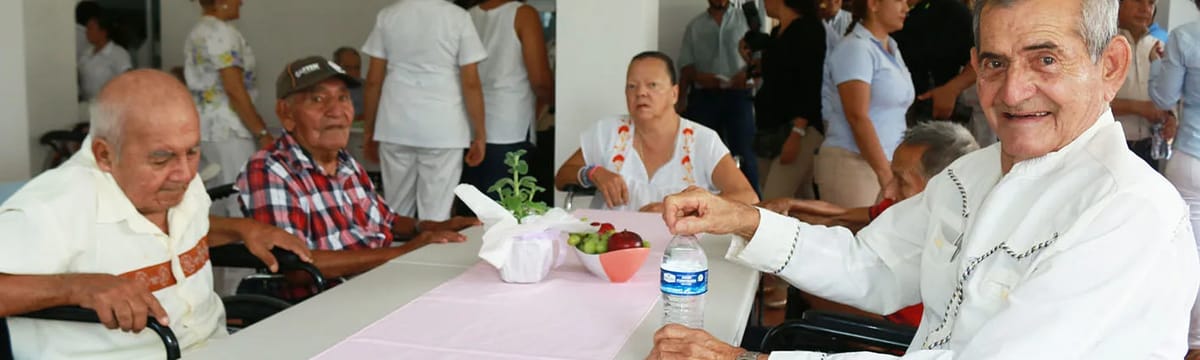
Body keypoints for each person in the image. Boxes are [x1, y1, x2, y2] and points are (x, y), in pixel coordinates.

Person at [648, 0, 1200, 357]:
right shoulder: (974, 171)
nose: (1011, 92)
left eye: (1046, 60)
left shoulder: (1129, 214)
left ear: (1110, 66)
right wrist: (746, 220)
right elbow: (872, 264)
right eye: (994, 63)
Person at [0, 70, 313, 360]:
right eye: (161, 158)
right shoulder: (54, 206)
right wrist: (78, 287)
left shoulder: (172, 180)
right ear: (105, 155)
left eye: (192, 151)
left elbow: (170, 237)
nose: (185, 173)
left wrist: (239, 229)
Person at [236, 56, 480, 300]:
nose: (336, 111)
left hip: (376, 283)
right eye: (318, 99)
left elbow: (386, 220)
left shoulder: (345, 162)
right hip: (324, 301)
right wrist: (403, 253)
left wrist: (430, 227)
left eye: (343, 98)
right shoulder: (270, 168)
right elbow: (297, 267)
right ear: (285, 113)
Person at [759, 121, 979, 327]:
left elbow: (890, 331)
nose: (888, 191)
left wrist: (803, 278)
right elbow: (841, 215)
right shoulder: (910, 209)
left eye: (901, 181)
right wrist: (786, 206)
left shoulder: (953, 247)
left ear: (940, 188)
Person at [554, 52, 758, 212]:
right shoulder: (607, 131)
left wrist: (682, 209)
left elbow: (747, 196)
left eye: (652, 85)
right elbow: (562, 177)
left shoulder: (702, 140)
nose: (641, 93)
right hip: (614, 246)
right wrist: (593, 173)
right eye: (632, 86)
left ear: (674, 93)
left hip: (681, 250)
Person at [361, 0, 488, 222]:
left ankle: (396, 252)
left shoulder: (388, 16)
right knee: (437, 215)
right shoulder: (458, 17)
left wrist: (369, 129)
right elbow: (471, 83)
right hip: (443, 126)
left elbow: (373, 80)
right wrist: (480, 133)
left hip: (394, 124)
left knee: (396, 213)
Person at [815, 0, 913, 208]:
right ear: (874, 4)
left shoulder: (891, 48)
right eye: (899, 1)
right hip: (854, 163)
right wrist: (885, 174)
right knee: (854, 236)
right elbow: (857, 116)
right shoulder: (855, 48)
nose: (906, 8)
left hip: (885, 163)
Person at [184, 0, 272, 217]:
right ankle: (238, 249)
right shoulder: (222, 33)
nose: (241, 2)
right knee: (239, 200)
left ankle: (214, 249)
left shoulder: (198, 31)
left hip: (203, 128)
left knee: (211, 197)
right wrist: (261, 132)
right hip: (228, 130)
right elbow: (234, 89)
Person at [462, 0, 555, 202]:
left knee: (472, 210)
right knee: (506, 212)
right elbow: (540, 80)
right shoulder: (523, 14)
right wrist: (555, 101)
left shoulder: (467, 16)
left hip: (469, 127)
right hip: (510, 126)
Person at [1149, 1, 1200, 357]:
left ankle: (1191, 342)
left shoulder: (1184, 37)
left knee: (1187, 253)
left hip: (1191, 158)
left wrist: (1156, 65)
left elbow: (1164, 96)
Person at [677, 0, 760, 194]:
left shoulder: (747, 20)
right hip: (705, 98)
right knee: (699, 153)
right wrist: (686, 93)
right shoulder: (695, 26)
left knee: (745, 152)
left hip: (739, 96)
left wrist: (749, 76)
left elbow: (759, 58)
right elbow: (686, 66)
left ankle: (754, 207)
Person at [753, 0, 828, 203]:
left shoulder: (809, 30)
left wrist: (797, 132)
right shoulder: (778, 31)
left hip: (796, 129)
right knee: (797, 198)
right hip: (769, 126)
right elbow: (777, 76)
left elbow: (810, 84)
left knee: (772, 201)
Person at [891, 0, 975, 124]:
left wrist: (951, 89)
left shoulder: (953, 11)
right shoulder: (884, 11)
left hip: (936, 113)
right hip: (887, 108)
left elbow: (981, 59)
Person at [1112, 0, 1172, 169]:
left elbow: (1170, 98)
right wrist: (1138, 108)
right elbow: (1089, 103)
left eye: (1151, 3)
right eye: (1138, 1)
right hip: (1112, 146)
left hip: (1149, 147)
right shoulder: (1102, 45)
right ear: (1119, 4)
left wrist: (1172, 119)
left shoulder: (1161, 47)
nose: (1145, 9)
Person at [78, 14, 132, 102]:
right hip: (87, 105)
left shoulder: (118, 53)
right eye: (87, 28)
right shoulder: (86, 52)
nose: (86, 32)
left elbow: (128, 81)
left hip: (110, 107)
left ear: (103, 32)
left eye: (90, 28)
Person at [331, 47, 365, 120]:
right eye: (347, 68)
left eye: (356, 68)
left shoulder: (368, 88)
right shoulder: (326, 89)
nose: (353, 72)